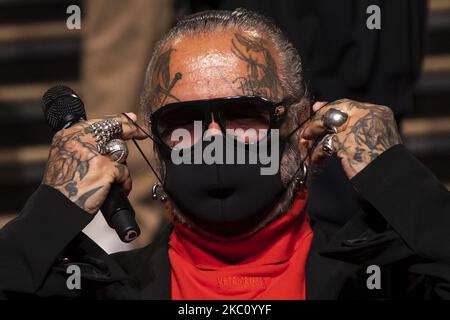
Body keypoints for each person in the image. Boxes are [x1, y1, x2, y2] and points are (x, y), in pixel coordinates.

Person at [0, 9, 449, 299]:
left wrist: (393, 174)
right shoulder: (100, 290)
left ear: (302, 128)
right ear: (150, 141)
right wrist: (52, 207)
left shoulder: (383, 283)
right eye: (183, 122)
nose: (213, 138)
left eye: (244, 114)